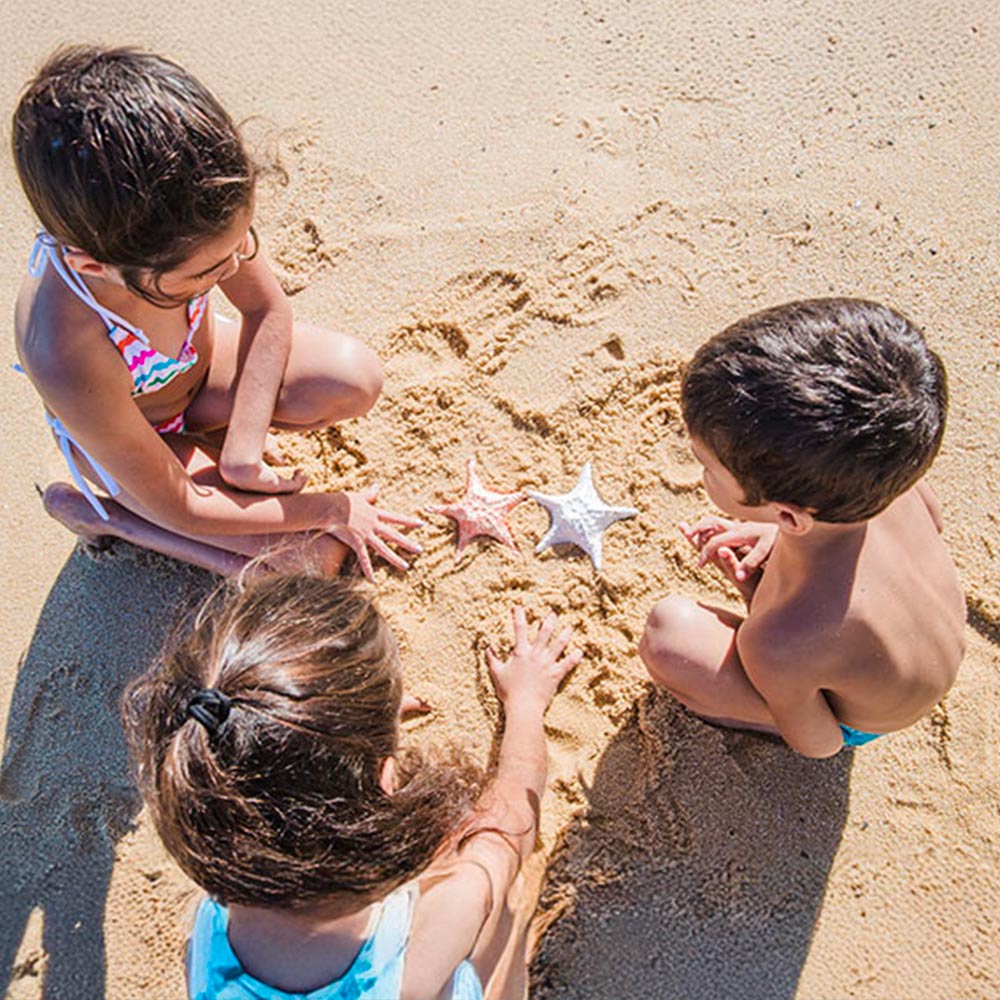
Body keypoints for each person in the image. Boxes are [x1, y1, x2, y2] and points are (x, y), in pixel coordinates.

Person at [12, 46, 420, 578]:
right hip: (139, 441)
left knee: (353, 378)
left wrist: (243, 451)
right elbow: (183, 505)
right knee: (312, 561)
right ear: (94, 266)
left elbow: (266, 308)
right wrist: (331, 508)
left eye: (238, 246)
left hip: (202, 377)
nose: (232, 269)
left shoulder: (192, 213)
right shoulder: (65, 351)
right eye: (205, 274)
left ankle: (216, 454)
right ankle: (112, 518)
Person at [123, 573, 582, 998]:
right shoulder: (443, 914)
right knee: (500, 907)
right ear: (386, 778)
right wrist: (525, 701)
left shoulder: (207, 932)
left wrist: (329, 734)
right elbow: (509, 825)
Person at [639, 298, 965, 757]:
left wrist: (777, 642)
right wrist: (776, 534)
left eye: (706, 467)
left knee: (669, 636)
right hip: (914, 664)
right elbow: (919, 534)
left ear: (791, 516)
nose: (703, 474)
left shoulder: (777, 642)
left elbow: (820, 744)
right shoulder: (887, 476)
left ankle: (763, 711)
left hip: (851, 722)